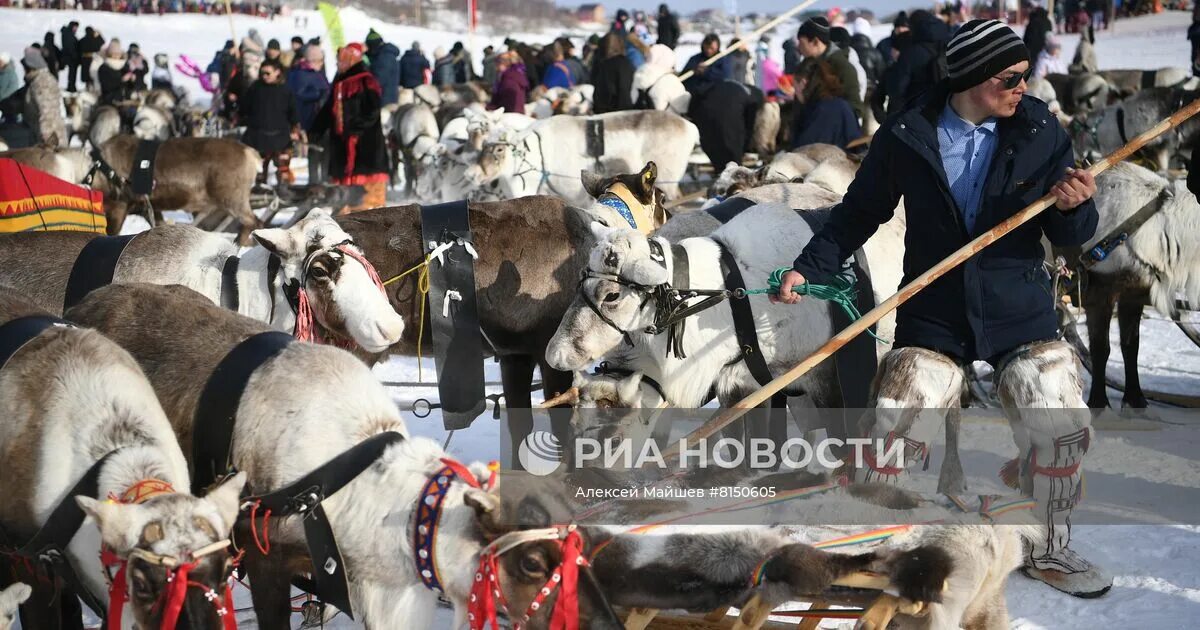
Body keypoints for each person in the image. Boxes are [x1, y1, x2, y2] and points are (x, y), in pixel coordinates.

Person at [777, 20, 1112, 601]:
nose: (1022, 87)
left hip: (1018, 303)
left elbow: (1072, 232)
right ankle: (879, 536)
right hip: (935, 306)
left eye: (1025, 75)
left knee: (1055, 407)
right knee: (899, 409)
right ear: (971, 79)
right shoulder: (908, 134)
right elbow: (859, 212)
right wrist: (811, 268)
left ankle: (1051, 544)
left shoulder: (1039, 128)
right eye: (1010, 77)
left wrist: (1074, 207)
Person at [310, 43, 389, 211]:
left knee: (368, 203)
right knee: (341, 201)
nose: (338, 64)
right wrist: (316, 130)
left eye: (341, 61)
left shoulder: (367, 81)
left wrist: (356, 128)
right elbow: (328, 110)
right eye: (338, 61)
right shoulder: (340, 81)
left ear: (351, 60)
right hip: (342, 147)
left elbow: (373, 111)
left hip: (366, 147)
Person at [241, 58, 300, 186]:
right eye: (262, 73)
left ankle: (284, 196)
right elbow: (244, 109)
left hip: (281, 138)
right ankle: (259, 195)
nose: (264, 76)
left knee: (283, 172)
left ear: (277, 72)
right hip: (257, 137)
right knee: (258, 173)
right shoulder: (254, 88)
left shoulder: (285, 90)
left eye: (268, 73)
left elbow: (293, 113)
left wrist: (295, 129)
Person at [882, 9, 951, 115]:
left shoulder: (911, 52)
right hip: (951, 108)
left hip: (920, 111)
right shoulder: (950, 43)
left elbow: (897, 89)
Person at [794, 17, 863, 121]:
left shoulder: (842, 67)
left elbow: (855, 109)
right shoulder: (805, 66)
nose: (798, 47)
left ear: (815, 42)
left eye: (801, 42)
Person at [791, 59, 860, 149]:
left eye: (794, 86)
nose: (795, 92)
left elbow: (804, 150)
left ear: (803, 83)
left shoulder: (822, 110)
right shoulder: (840, 104)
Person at [22, 46, 66, 147]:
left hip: (50, 140)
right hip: (40, 136)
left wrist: (48, 142)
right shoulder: (35, 81)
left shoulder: (42, 82)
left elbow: (47, 112)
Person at [287, 44, 330, 132]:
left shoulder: (309, 72)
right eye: (321, 60)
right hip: (305, 121)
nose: (322, 63)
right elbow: (298, 94)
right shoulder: (302, 73)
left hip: (309, 120)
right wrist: (320, 93)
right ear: (313, 60)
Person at [590, 32, 634, 114]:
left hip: (604, 111)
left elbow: (594, 83)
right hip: (622, 111)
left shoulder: (601, 64)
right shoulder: (625, 63)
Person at [365, 29, 401, 106]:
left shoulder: (384, 57)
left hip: (384, 100)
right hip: (387, 98)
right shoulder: (382, 55)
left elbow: (378, 80)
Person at [98, 40, 135, 106]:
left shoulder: (125, 66)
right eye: (114, 53)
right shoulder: (104, 67)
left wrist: (132, 80)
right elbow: (106, 86)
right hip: (110, 99)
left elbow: (130, 86)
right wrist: (122, 80)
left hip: (126, 98)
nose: (116, 55)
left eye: (118, 53)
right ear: (109, 54)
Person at [60, 20, 80, 92]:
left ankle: (71, 86)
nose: (76, 29)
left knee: (72, 73)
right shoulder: (68, 34)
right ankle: (71, 87)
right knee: (72, 73)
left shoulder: (68, 33)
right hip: (70, 56)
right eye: (75, 27)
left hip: (69, 55)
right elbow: (70, 46)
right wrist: (74, 55)